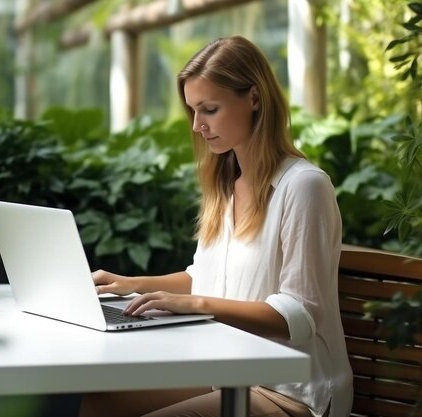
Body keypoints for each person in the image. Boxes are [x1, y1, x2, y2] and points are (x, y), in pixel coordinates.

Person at [78, 36, 353, 417]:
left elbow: (300, 316)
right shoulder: (226, 185)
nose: (197, 125)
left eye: (209, 109)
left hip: (290, 390)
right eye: (193, 110)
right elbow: (202, 277)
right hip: (227, 371)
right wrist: (134, 285)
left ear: (254, 99)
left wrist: (196, 306)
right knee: (100, 403)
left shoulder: (304, 186)